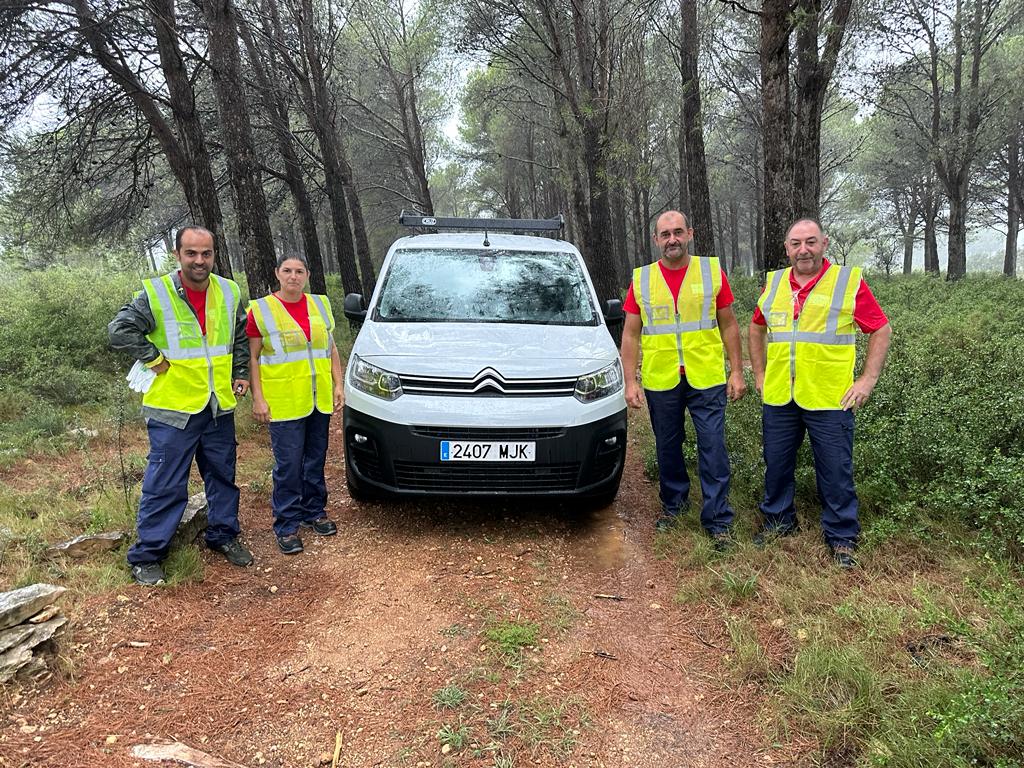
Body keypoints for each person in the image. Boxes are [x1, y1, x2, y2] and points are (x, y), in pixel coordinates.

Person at [109, 226, 254, 585]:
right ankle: (147, 556)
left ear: (214, 254)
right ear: (177, 255)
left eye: (206, 253)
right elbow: (119, 330)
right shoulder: (156, 292)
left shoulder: (229, 290)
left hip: (217, 404)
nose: (199, 261)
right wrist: (153, 358)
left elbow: (238, 336)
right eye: (191, 253)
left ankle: (223, 535)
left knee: (222, 475)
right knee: (166, 483)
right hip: (173, 408)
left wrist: (240, 373)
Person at [748, 218, 892, 569]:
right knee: (777, 464)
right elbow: (756, 326)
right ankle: (779, 521)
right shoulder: (776, 282)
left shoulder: (846, 282)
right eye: (796, 244)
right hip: (781, 395)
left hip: (830, 397)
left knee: (835, 469)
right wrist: (761, 372)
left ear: (824, 243)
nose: (804, 250)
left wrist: (867, 380)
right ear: (787, 249)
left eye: (811, 242)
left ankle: (842, 537)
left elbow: (880, 328)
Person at [620, 210, 746, 547]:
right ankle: (674, 507)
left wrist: (736, 370)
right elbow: (631, 334)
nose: (672, 239)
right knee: (668, 448)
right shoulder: (643, 279)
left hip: (705, 375)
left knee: (713, 446)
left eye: (678, 232)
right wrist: (630, 381)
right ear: (656, 240)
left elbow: (729, 324)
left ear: (689, 234)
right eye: (665, 234)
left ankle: (718, 519)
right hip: (662, 379)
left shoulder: (710, 272)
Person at [247, 255, 344, 555]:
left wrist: (338, 384)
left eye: (299, 271)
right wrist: (258, 398)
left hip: (318, 399)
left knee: (315, 460)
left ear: (307, 274)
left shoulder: (320, 305)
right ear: (277, 273)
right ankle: (287, 525)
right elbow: (253, 357)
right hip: (284, 402)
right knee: (288, 465)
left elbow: (331, 349)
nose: (293, 276)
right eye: (287, 271)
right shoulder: (261, 310)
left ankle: (314, 511)